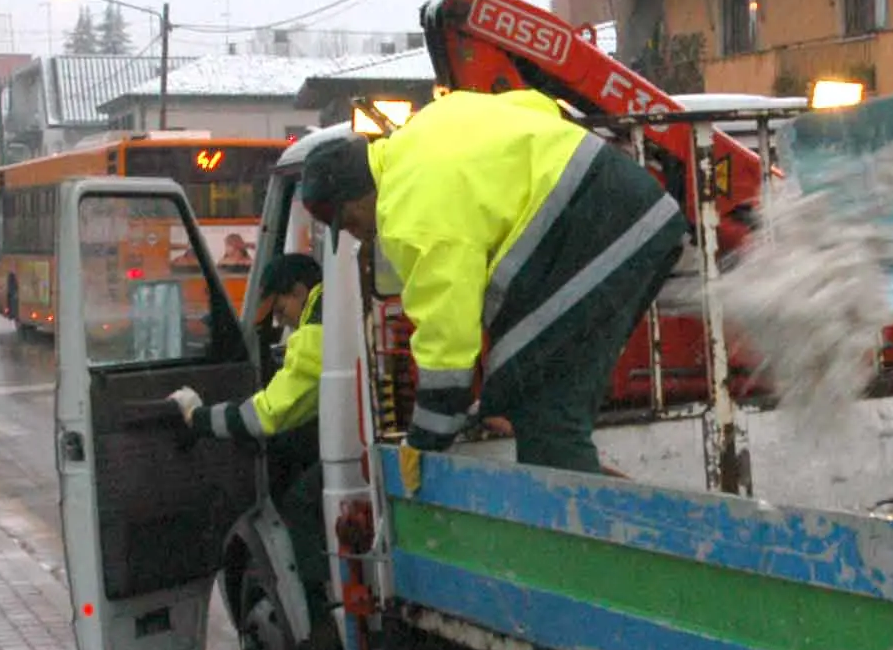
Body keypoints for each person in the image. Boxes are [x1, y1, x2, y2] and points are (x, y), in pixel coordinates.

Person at [292, 95, 684, 474]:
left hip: (603, 231)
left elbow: (447, 340)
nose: (361, 236)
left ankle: (581, 538)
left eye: (350, 224)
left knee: (547, 415)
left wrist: (425, 441)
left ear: (355, 199)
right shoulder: (432, 122)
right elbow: (536, 104)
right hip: (642, 212)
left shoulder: (407, 213)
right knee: (535, 379)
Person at [174, 251, 330, 603]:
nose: (284, 322)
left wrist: (197, 418)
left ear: (300, 291)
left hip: (356, 450)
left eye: (280, 310)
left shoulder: (318, 330)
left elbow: (268, 415)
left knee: (299, 502)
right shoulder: (340, 304)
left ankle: (319, 607)